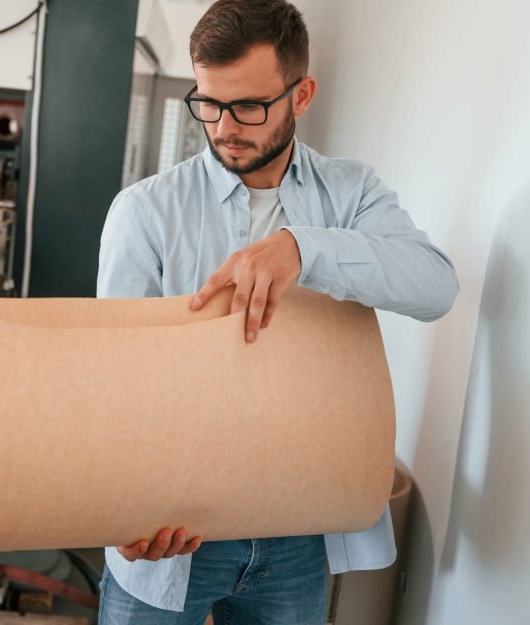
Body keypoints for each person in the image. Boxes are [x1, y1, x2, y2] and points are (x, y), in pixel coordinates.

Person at [95, 0, 459, 623]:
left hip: (298, 533)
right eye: (208, 102)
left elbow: (435, 286)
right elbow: (116, 384)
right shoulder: (144, 212)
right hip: (172, 532)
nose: (223, 126)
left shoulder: (351, 194)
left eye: (249, 107)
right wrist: (120, 508)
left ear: (302, 93)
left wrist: (303, 248)